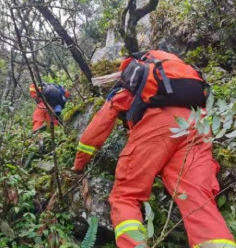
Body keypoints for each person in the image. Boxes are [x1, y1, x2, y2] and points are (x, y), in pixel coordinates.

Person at [71, 52, 235, 247]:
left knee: (126, 196)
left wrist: (78, 165)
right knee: (198, 200)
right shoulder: (176, 74)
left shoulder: (131, 82)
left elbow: (97, 128)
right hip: (198, 123)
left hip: (159, 124)